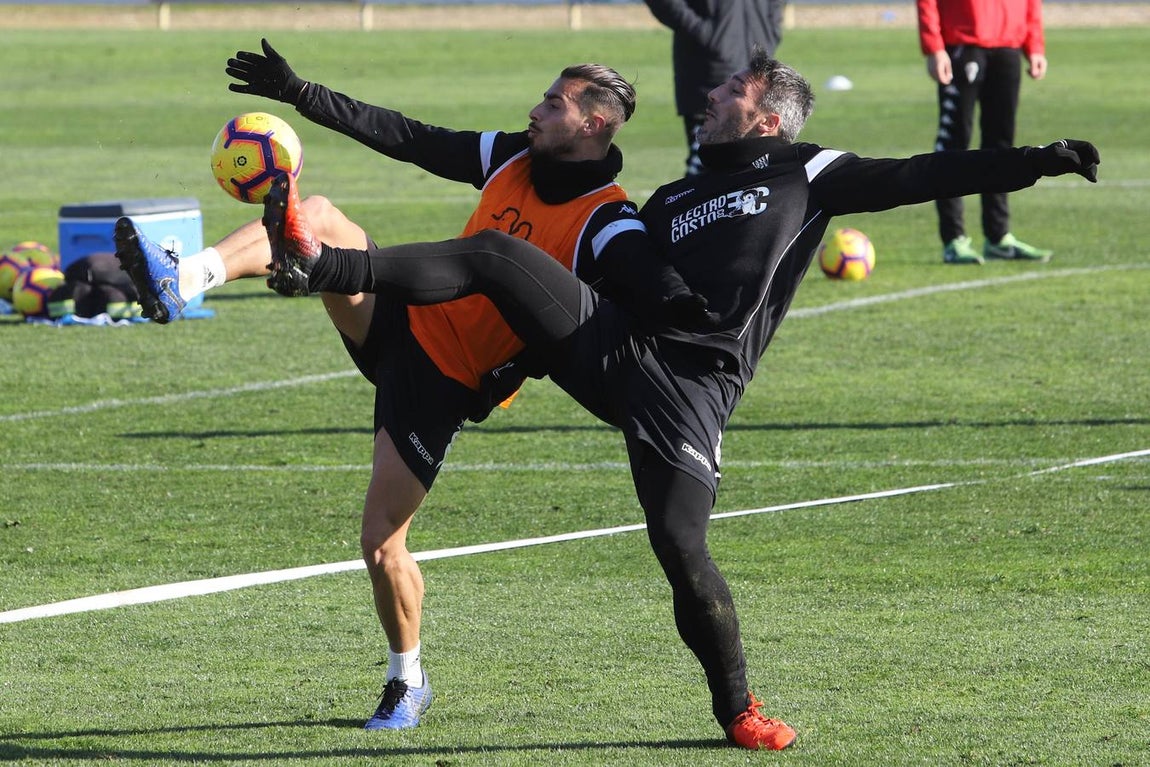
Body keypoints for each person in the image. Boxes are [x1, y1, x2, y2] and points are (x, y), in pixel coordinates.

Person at [260, 49, 1098, 750]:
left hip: (694, 391)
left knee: (680, 545)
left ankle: (737, 708)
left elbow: (926, 172)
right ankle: (320, 267)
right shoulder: (666, 201)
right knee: (494, 257)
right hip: (621, 353)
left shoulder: (810, 172)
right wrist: (528, 353)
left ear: (765, 115)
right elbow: (594, 272)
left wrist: (1036, 160)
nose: (707, 96)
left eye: (727, 90)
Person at [114, 39, 691, 731]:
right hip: (396, 312)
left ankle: (406, 678)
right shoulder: (510, 153)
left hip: (442, 382)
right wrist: (301, 93)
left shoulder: (609, 224)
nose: (535, 110)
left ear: (595, 125)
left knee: (382, 544)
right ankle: (183, 280)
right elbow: (410, 138)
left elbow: (658, 301)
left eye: (553, 103)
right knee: (318, 212)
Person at [918, 0, 1052, 264]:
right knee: (954, 143)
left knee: (1002, 147)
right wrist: (934, 46)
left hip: (1008, 47)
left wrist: (1034, 45)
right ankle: (954, 239)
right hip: (962, 45)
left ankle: (998, 236)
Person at [642, 0, 786, 176]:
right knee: (705, 167)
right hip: (709, 74)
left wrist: (770, 32)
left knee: (750, 167)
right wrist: (702, 31)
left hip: (756, 72)